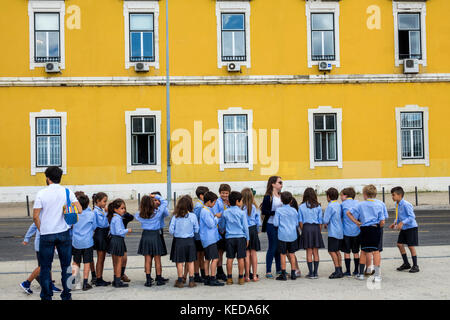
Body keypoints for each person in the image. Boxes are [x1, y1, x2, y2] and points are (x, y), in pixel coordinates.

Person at [32, 166, 82, 300]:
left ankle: (47, 295)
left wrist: (42, 230)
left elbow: (35, 216)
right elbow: (80, 209)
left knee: (45, 267)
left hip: (46, 234)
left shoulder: (41, 193)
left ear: (47, 178)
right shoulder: (67, 192)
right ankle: (66, 294)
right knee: (66, 266)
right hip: (64, 233)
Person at [347, 185, 386, 282]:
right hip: (374, 228)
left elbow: (348, 213)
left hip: (364, 229)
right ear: (375, 194)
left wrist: (356, 222)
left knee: (363, 252)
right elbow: (382, 221)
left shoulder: (360, 205)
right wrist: (379, 226)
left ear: (365, 195)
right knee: (376, 252)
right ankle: (377, 275)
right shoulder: (379, 205)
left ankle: (360, 274)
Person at [20, 223, 61, 295]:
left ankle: (50, 285)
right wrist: (26, 238)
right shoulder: (41, 216)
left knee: (48, 265)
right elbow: (32, 227)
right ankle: (26, 283)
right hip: (41, 245)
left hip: (48, 244)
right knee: (42, 266)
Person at [136, 195, 167, 287]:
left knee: (147, 259)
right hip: (155, 235)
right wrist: (155, 196)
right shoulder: (157, 213)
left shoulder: (139, 215)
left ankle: (148, 279)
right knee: (157, 258)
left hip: (145, 235)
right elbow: (165, 202)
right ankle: (159, 278)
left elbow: (138, 213)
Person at [220, 191, 249, 285]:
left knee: (230, 258)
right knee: (241, 258)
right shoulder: (241, 213)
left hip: (229, 237)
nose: (242, 203)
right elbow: (245, 227)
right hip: (240, 237)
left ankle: (229, 278)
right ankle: (241, 278)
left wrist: (222, 231)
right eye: (241, 201)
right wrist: (247, 238)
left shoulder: (225, 212)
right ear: (237, 201)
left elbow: (222, 225)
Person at [170, 196, 199, 288]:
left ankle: (180, 280)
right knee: (190, 261)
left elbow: (171, 230)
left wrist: (177, 233)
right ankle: (191, 280)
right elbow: (197, 229)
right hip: (190, 241)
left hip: (179, 241)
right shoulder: (193, 216)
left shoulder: (175, 217)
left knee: (179, 262)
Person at [389, 186, 420, 273]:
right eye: (392, 195)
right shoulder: (397, 204)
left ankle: (415, 265)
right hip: (404, 228)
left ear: (400, 195)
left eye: (393, 195)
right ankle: (406, 263)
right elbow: (398, 216)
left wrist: (402, 223)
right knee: (399, 244)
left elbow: (412, 217)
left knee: (410, 246)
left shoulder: (406, 204)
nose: (392, 197)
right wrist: (395, 222)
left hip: (411, 227)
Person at [71, 193, 96, 291]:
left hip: (76, 242)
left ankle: (73, 281)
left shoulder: (74, 214)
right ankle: (85, 283)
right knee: (87, 262)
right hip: (87, 242)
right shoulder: (91, 214)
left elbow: (70, 225)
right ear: (88, 203)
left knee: (76, 262)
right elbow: (94, 227)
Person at [273, 191, 300, 281]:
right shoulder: (294, 210)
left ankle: (283, 274)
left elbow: (276, 223)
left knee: (283, 254)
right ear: (291, 200)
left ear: (281, 200)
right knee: (292, 254)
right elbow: (296, 224)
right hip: (292, 235)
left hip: (282, 235)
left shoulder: (279, 210)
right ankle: (293, 273)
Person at [199, 191, 224, 286]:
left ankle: (207, 277)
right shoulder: (205, 211)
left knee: (207, 259)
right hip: (210, 239)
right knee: (215, 258)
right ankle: (213, 278)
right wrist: (217, 217)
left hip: (207, 238)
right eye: (214, 202)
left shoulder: (205, 210)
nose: (214, 204)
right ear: (209, 201)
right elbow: (211, 224)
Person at [298, 188, 324, 279]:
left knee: (309, 252)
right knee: (315, 252)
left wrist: (303, 230)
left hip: (306, 228)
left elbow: (300, 221)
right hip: (316, 228)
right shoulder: (318, 206)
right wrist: (318, 231)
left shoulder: (301, 207)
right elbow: (320, 221)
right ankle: (316, 273)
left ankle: (310, 273)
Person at [261, 176, 283, 279]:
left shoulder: (281, 196)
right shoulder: (268, 197)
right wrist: (276, 212)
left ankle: (279, 269)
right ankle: (268, 270)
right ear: (273, 184)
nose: (281, 184)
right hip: (271, 224)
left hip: (280, 225)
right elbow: (264, 211)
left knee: (279, 247)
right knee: (272, 247)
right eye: (279, 182)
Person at [107, 199, 132, 288]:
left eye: (124, 208)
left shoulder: (115, 217)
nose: (124, 210)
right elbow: (118, 231)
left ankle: (116, 279)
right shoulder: (117, 219)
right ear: (115, 209)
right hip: (117, 240)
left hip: (115, 240)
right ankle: (118, 281)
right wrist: (127, 230)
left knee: (117, 261)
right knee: (119, 262)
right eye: (121, 208)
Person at [323, 188, 344, 279]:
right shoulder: (339, 205)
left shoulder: (330, 206)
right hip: (340, 230)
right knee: (337, 251)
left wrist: (325, 223)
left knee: (331, 251)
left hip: (333, 232)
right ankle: (340, 269)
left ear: (328, 196)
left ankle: (337, 270)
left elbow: (325, 220)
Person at [241, 188, 261, 282]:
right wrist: (257, 231)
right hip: (253, 229)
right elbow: (258, 222)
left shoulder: (241, 208)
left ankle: (247, 275)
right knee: (254, 253)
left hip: (245, 230)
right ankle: (255, 275)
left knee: (247, 254)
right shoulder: (254, 207)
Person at [212, 184, 231, 281]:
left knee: (223, 251)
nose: (225, 195)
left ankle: (221, 269)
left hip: (227, 230)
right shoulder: (218, 202)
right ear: (220, 193)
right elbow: (216, 215)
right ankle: (219, 270)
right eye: (223, 193)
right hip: (219, 230)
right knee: (219, 251)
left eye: (226, 193)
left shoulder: (229, 202)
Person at [340, 187, 360, 277]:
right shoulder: (358, 203)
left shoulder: (343, 204)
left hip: (346, 231)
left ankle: (348, 271)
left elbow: (340, 216)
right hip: (356, 231)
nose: (340, 197)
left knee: (347, 252)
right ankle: (356, 270)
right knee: (356, 252)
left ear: (345, 195)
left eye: (341, 195)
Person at [151, 191, 170, 283]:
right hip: (153, 232)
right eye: (154, 200)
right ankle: (150, 276)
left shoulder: (161, 208)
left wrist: (161, 206)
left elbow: (167, 214)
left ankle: (159, 275)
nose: (156, 202)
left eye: (157, 200)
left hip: (159, 231)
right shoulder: (149, 209)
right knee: (151, 256)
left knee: (158, 255)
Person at [92, 192, 110, 286]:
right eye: (104, 201)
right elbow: (95, 225)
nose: (105, 203)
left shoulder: (101, 210)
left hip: (104, 234)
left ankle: (100, 277)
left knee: (102, 258)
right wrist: (106, 214)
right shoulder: (95, 211)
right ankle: (98, 279)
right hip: (100, 234)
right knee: (100, 258)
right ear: (98, 201)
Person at [193, 186, 209, 282]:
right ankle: (196, 274)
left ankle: (202, 272)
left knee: (202, 255)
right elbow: (197, 220)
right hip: (198, 234)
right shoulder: (199, 206)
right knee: (198, 255)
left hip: (202, 234)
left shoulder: (202, 204)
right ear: (201, 195)